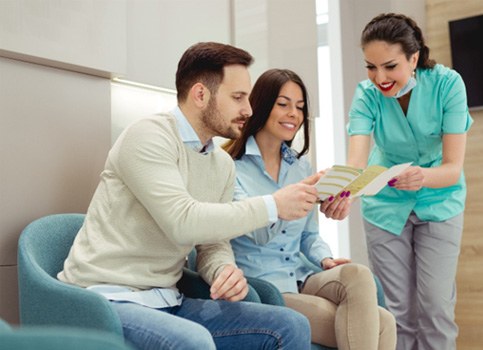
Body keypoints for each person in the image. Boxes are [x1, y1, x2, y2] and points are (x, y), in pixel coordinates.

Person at [58, 42, 319, 350]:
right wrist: (273, 205)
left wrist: (223, 269)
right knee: (192, 341)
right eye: (237, 97)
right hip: (108, 299)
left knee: (289, 325)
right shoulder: (149, 137)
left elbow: (212, 243)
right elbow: (183, 222)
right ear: (200, 95)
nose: (248, 109)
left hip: (169, 299)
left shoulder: (220, 163)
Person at [224, 68, 397, 350]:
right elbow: (257, 233)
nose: (293, 113)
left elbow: (308, 236)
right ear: (261, 105)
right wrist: (292, 197)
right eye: (283, 104)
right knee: (383, 325)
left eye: (300, 107)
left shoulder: (300, 166)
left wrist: (325, 260)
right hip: (265, 286)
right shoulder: (230, 167)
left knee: (359, 275)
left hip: (302, 275)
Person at [345, 13, 473, 350]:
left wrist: (422, 177)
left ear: (413, 58)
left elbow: (452, 168)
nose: (379, 78)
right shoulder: (366, 95)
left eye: (390, 66)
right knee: (395, 312)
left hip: (439, 201)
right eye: (370, 67)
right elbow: (356, 162)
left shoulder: (448, 85)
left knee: (436, 307)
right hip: (385, 206)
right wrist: (342, 191)